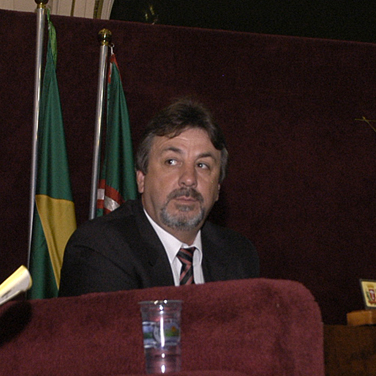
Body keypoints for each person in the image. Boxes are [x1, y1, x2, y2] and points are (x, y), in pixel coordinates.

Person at [58, 99, 258, 295]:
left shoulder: (238, 255)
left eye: (202, 165)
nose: (189, 179)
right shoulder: (100, 248)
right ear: (141, 179)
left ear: (218, 189)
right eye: (172, 162)